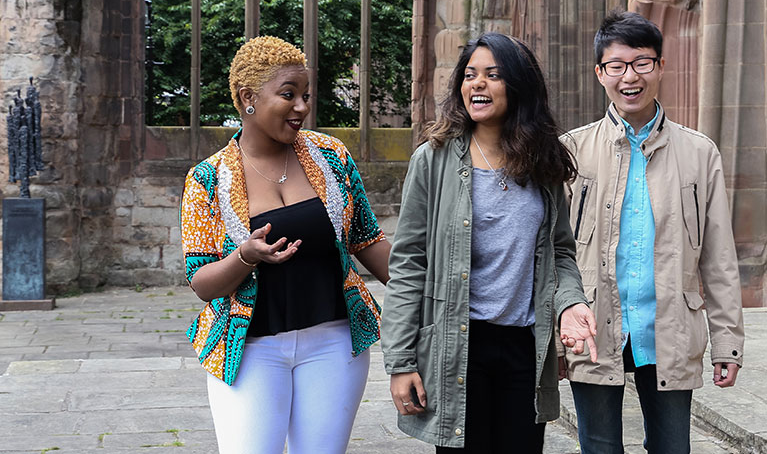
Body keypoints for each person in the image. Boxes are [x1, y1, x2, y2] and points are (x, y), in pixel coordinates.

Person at [381, 32, 598, 453]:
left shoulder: (542, 161)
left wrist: (571, 303)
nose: (476, 84)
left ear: (517, 85)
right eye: (470, 75)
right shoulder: (434, 159)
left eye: (493, 75)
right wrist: (401, 362)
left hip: (524, 345)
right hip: (457, 344)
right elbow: (408, 262)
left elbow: (560, 251)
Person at [179, 36, 391, 454]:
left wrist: (435, 286)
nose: (302, 107)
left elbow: (368, 240)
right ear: (248, 98)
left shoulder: (331, 156)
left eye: (306, 95)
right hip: (251, 349)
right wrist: (245, 256)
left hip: (334, 343)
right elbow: (202, 282)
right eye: (289, 95)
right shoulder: (207, 178)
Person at [562, 10, 745, 454]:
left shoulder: (700, 153)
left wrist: (727, 342)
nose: (630, 76)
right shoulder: (572, 151)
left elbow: (718, 256)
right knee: (599, 446)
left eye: (643, 63)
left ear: (661, 66)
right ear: (599, 73)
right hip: (593, 326)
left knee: (671, 447)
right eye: (617, 65)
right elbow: (553, 251)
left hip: (669, 328)